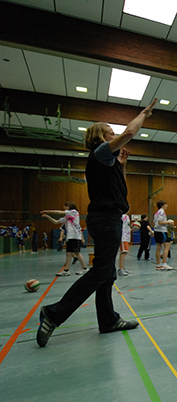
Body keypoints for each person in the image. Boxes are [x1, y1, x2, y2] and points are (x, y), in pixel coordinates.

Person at [36, 98, 157, 347]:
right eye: (110, 133)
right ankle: (54, 313)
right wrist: (143, 113)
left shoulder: (109, 161)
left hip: (110, 217)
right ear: (99, 137)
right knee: (101, 271)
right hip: (104, 218)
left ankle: (108, 320)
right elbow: (130, 132)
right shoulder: (100, 153)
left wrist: (123, 165)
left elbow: (121, 191)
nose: (115, 135)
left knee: (108, 273)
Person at [41, 202, 89, 276]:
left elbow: (59, 212)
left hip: (75, 236)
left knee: (77, 253)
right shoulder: (67, 217)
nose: (64, 208)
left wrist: (48, 211)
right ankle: (66, 270)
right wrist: (47, 216)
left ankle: (85, 269)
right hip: (70, 237)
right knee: (68, 253)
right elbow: (56, 222)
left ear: (69, 206)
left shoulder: (73, 212)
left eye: (65, 206)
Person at [154, 200, 174, 270]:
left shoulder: (157, 212)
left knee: (158, 247)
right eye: (166, 204)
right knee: (167, 246)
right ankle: (164, 264)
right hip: (162, 231)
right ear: (162, 205)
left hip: (156, 231)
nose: (167, 205)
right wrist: (168, 222)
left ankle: (158, 264)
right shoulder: (161, 211)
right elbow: (160, 222)